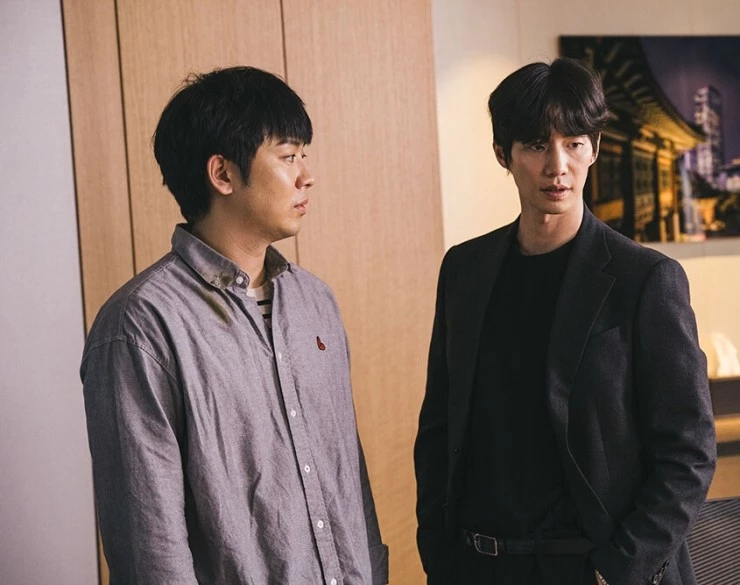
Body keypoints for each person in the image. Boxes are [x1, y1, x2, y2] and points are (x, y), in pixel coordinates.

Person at [81, 66, 388, 585]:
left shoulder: (315, 302)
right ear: (222, 174)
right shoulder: (140, 327)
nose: (306, 176)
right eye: (288, 157)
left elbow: (348, 477)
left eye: (304, 156)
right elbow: (149, 543)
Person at [414, 58, 716, 585]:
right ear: (502, 154)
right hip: (480, 565)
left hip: (591, 567)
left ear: (594, 148)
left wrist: (620, 567)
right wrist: (440, 554)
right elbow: (439, 425)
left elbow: (688, 451)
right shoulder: (465, 270)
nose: (558, 166)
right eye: (536, 145)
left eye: (574, 143)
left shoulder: (645, 279)